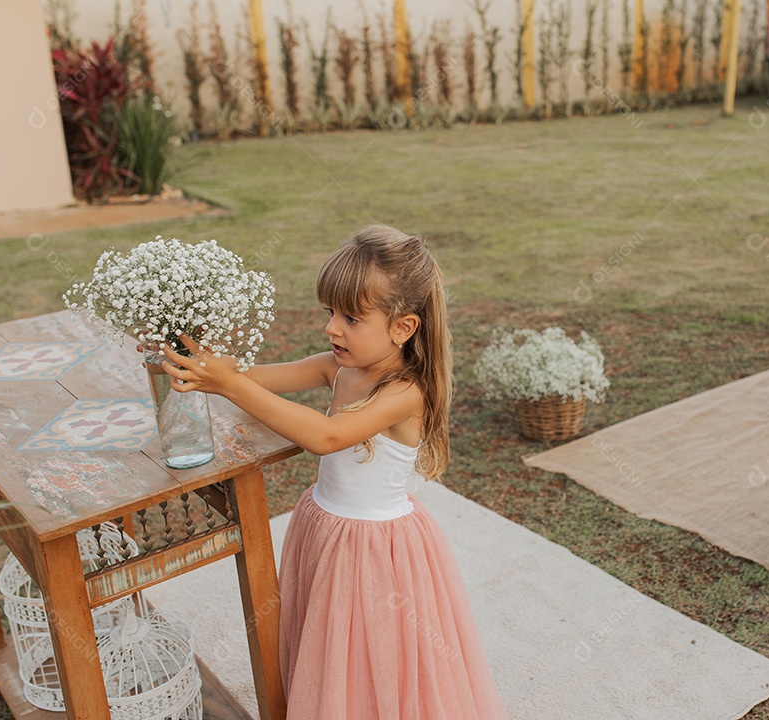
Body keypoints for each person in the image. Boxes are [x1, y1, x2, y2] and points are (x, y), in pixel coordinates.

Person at [160, 225, 508, 719]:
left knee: (375, 649)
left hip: (373, 546)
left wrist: (231, 387)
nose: (332, 328)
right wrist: (200, 366)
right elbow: (256, 377)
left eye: (351, 317)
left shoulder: (406, 392)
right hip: (322, 524)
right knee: (328, 641)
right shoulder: (338, 367)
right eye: (330, 313)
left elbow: (326, 437)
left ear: (403, 327)